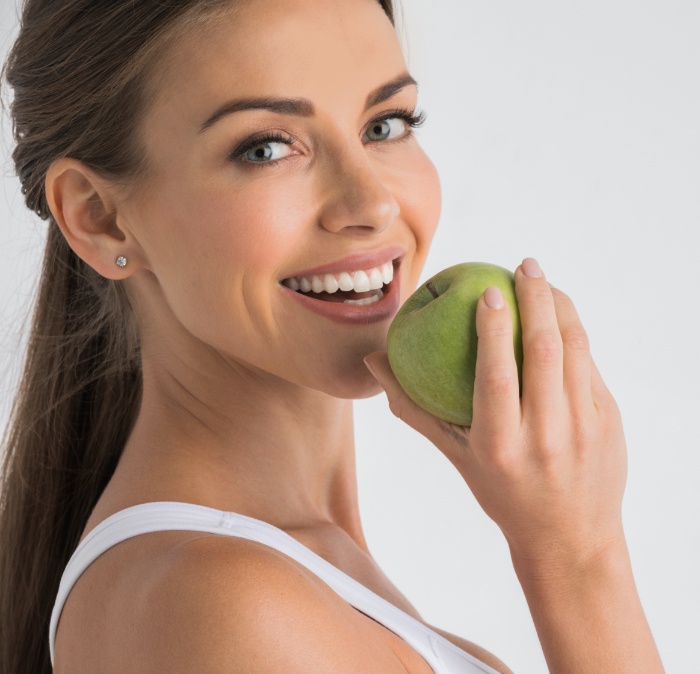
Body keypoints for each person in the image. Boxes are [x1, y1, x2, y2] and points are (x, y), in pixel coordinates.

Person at [0, 0, 665, 672]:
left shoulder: (276, 575)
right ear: (99, 218)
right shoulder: (222, 605)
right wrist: (580, 557)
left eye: (385, 124)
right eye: (266, 147)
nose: (372, 204)